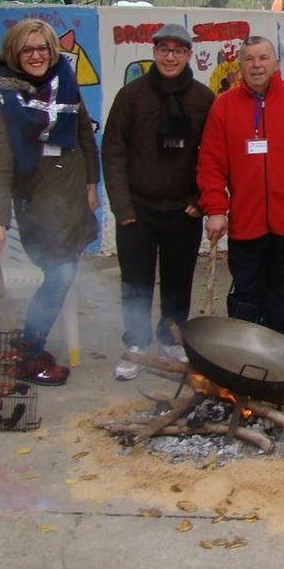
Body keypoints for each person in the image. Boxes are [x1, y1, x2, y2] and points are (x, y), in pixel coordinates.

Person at [196, 36, 284, 338]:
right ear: (240, 64)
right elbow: (210, 164)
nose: (256, 65)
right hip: (247, 224)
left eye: (263, 58)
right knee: (246, 293)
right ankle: (246, 349)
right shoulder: (223, 107)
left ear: (276, 63)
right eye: (249, 59)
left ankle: (277, 351)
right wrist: (216, 209)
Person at [0, 19, 99, 386]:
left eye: (43, 48)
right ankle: (30, 351)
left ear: (52, 51)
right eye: (28, 49)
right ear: (16, 54)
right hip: (37, 201)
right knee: (60, 274)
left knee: (64, 271)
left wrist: (92, 182)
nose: (37, 56)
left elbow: (83, 135)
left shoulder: (66, 81)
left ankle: (28, 341)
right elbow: (1, 161)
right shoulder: (9, 99)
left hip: (72, 194)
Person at [103, 24, 215, 381]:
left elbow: (212, 154)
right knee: (135, 280)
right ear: (154, 53)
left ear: (188, 56)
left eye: (177, 51)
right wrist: (122, 207)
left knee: (178, 279)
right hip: (138, 208)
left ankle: (170, 339)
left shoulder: (202, 98)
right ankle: (135, 343)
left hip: (184, 208)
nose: (170, 57)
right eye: (163, 50)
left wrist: (201, 200)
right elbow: (114, 151)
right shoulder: (131, 95)